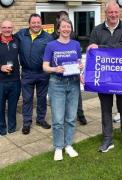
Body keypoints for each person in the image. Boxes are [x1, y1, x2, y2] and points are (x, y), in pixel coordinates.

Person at [87, 0, 122, 153]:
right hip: (104, 77)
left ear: (119, 13)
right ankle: (107, 138)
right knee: (105, 109)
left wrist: (101, 48)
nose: (113, 15)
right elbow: (92, 53)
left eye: (116, 12)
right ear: (106, 13)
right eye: (110, 12)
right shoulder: (97, 30)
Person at [43, 18, 83, 161]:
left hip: (73, 83)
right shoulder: (51, 45)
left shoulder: (76, 44)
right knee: (58, 119)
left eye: (69, 27)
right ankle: (58, 147)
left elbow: (78, 61)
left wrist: (80, 68)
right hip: (57, 83)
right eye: (64, 27)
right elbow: (45, 66)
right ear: (58, 29)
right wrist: (55, 68)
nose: (66, 29)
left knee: (71, 118)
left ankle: (68, 145)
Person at [15, 14, 51, 135]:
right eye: (33, 23)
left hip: (43, 73)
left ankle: (40, 120)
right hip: (27, 73)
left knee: (41, 98)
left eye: (38, 22)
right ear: (29, 24)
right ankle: (26, 123)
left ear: (41, 24)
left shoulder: (48, 37)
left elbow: (55, 52)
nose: (36, 25)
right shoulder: (21, 34)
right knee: (27, 99)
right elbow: (7, 38)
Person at [52, 11, 87, 125]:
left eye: (66, 18)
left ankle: (80, 115)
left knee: (77, 97)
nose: (66, 27)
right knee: (61, 100)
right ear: (58, 21)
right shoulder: (52, 36)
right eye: (62, 19)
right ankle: (63, 118)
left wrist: (79, 68)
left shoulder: (73, 34)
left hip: (73, 74)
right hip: (59, 75)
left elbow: (77, 54)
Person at [0, 20, 21, 136]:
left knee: (13, 107)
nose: (7, 30)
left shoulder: (17, 40)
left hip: (15, 80)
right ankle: (2, 128)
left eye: (9, 27)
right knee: (0, 107)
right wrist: (0, 67)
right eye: (4, 27)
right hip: (0, 82)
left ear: (12, 28)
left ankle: (12, 127)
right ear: (1, 28)